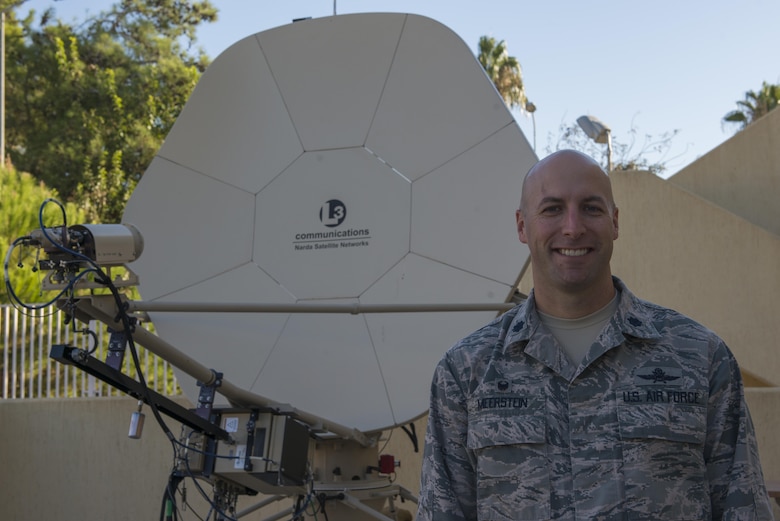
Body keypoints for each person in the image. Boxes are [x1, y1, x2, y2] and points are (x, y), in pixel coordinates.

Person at [416, 150, 774, 520]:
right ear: (522, 226)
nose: (573, 227)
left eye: (591, 208)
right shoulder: (466, 371)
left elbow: (743, 508)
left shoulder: (699, 357)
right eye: (552, 209)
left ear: (615, 222)